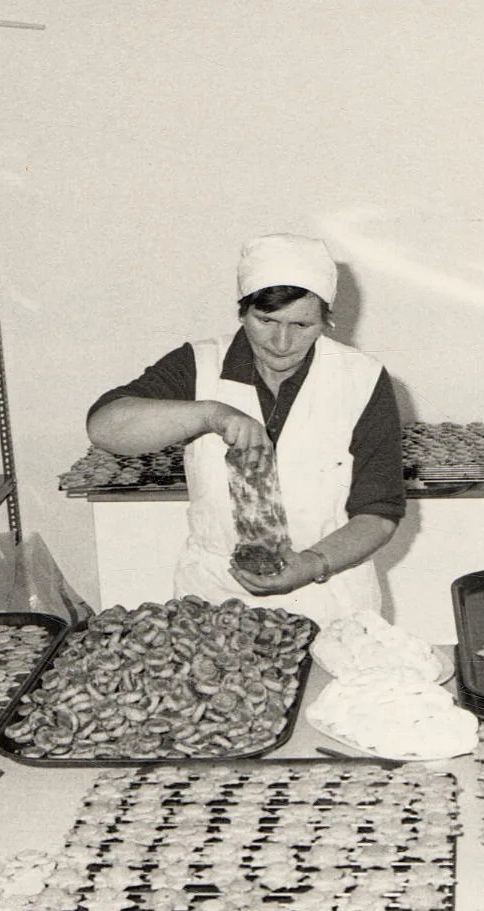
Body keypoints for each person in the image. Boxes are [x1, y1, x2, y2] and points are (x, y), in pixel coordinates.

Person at [85, 233, 405, 624]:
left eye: (301, 324)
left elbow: (379, 513)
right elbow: (105, 427)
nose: (281, 342)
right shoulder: (198, 365)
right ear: (241, 312)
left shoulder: (362, 380)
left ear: (327, 321)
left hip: (329, 597)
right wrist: (210, 414)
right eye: (265, 320)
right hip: (215, 601)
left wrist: (311, 563)